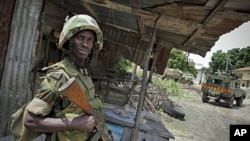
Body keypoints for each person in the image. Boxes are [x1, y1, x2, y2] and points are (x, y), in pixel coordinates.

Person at [24, 14, 104, 141]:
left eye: (90, 40)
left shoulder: (84, 74)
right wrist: (76, 123)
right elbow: (30, 121)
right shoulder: (59, 75)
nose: (85, 44)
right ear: (70, 42)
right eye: (80, 38)